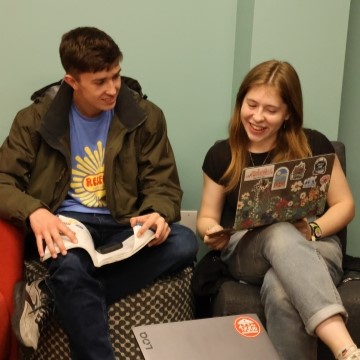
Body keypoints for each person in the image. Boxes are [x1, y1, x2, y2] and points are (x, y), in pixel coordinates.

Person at [0, 26, 198, 359]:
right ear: (72, 81)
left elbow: (163, 184)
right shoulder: (34, 120)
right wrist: (36, 211)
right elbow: (3, 179)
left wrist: (158, 213)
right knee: (72, 267)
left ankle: (49, 293)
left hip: (123, 224)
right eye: (100, 82)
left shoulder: (146, 117)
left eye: (116, 76)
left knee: (184, 242)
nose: (113, 89)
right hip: (66, 225)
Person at [196, 60, 359, 360]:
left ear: (287, 113)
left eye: (270, 110)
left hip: (315, 247)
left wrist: (313, 229)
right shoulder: (222, 153)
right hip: (248, 252)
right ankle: (346, 349)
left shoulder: (314, 144)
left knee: (282, 288)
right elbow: (206, 216)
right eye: (251, 105)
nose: (257, 117)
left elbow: (345, 205)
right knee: (279, 232)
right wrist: (210, 231)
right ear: (240, 103)